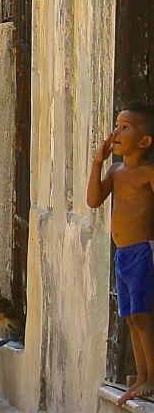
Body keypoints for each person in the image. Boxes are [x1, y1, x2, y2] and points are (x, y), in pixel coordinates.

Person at [89, 104, 154, 404]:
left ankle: (151, 377)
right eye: (117, 125)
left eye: (126, 127)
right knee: (130, 317)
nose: (116, 132)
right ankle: (142, 377)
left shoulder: (147, 172)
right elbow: (93, 200)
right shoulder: (115, 171)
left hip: (143, 251)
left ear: (144, 141)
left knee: (142, 315)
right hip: (123, 254)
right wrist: (97, 162)